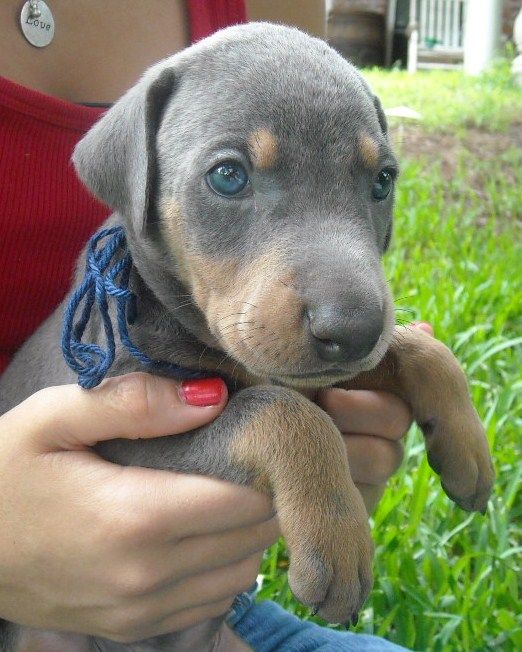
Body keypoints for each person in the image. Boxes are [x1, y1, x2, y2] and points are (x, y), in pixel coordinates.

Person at [0, 1, 432, 649]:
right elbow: (121, 445)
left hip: (202, 612)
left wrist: (414, 368)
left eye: (377, 186)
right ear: (137, 186)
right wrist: (289, 439)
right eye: (228, 176)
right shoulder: (120, 312)